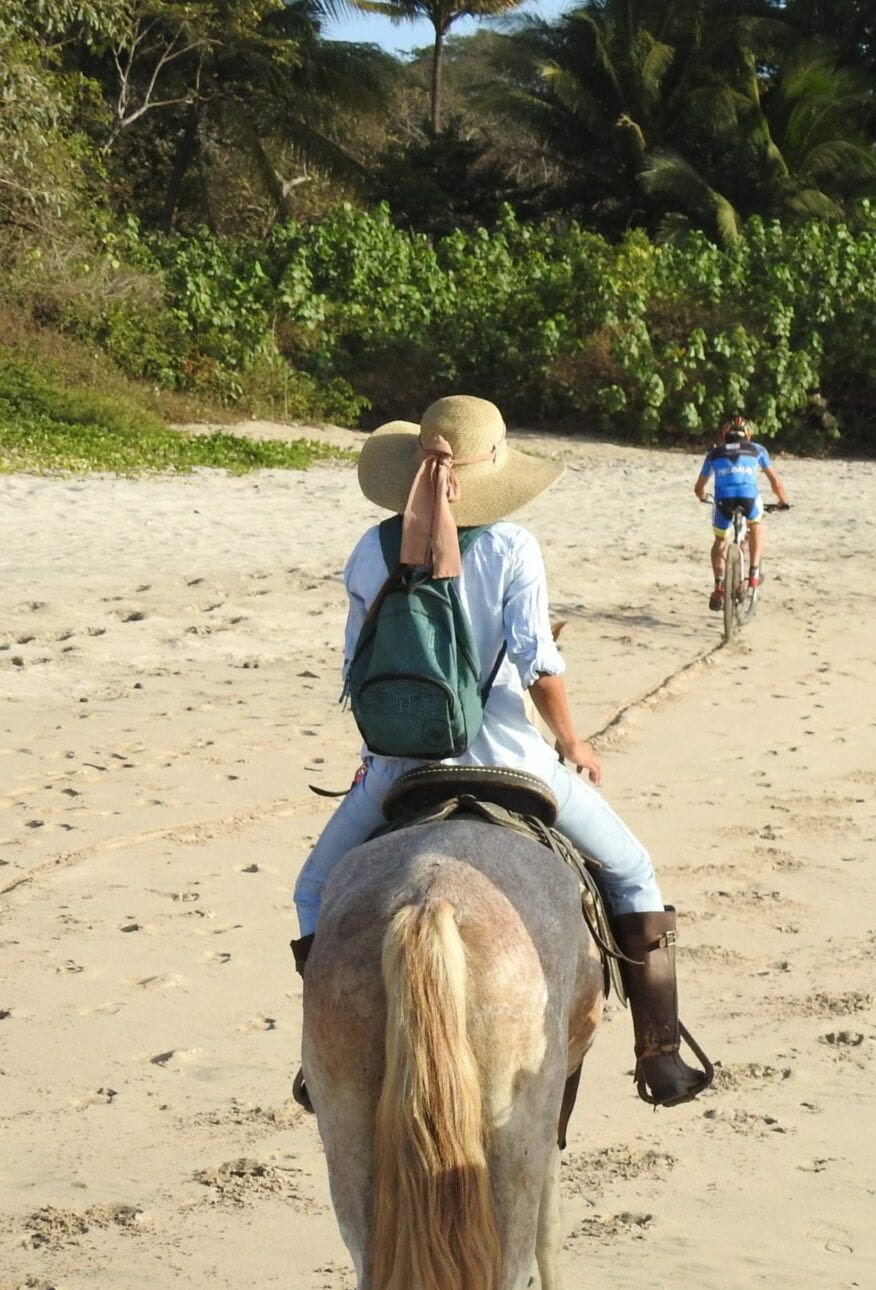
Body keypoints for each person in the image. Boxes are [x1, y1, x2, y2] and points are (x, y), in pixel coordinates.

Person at [290, 394, 708, 1110]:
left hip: (399, 766)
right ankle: (659, 1054)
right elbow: (538, 663)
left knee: (311, 893)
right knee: (634, 872)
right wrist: (572, 740)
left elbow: (355, 669)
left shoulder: (369, 550)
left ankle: (323, 1055)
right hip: (512, 760)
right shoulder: (512, 547)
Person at [693, 414, 791, 612]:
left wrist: (703, 496)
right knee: (757, 523)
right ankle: (753, 572)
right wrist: (784, 501)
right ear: (747, 435)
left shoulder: (714, 454)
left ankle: (718, 587)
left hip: (723, 500)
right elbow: (776, 482)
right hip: (748, 497)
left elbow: (699, 488)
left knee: (720, 541)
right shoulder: (757, 449)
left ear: (724, 435)